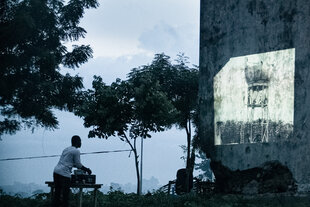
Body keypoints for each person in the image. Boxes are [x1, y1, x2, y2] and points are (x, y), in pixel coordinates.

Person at [53, 135, 92, 207]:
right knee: (65, 196)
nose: (81, 143)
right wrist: (87, 169)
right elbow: (78, 165)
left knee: (57, 194)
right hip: (64, 174)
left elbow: (68, 162)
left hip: (56, 171)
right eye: (80, 141)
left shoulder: (66, 149)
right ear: (77, 142)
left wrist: (76, 166)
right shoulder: (76, 151)